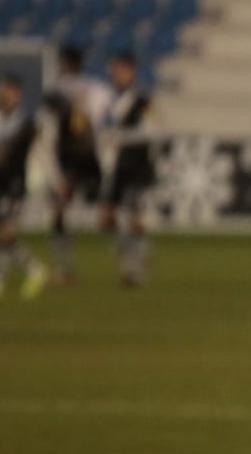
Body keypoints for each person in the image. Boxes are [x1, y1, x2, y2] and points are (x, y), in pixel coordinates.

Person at [44, 45, 111, 284]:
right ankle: (123, 261)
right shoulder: (96, 87)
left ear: (64, 63)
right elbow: (103, 115)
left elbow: (50, 126)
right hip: (91, 157)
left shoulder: (57, 90)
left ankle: (65, 269)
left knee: (61, 213)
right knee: (99, 211)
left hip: (68, 159)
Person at [100, 51, 156, 288]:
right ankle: (138, 256)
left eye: (121, 70)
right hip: (116, 167)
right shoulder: (109, 100)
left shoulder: (141, 100)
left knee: (134, 218)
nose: (117, 74)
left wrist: (120, 137)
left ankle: (133, 270)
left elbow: (150, 131)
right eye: (115, 70)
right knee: (108, 219)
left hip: (137, 167)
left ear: (131, 72)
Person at [0, 74, 46, 300]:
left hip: (15, 184)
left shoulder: (26, 123)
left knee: (5, 232)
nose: (5, 95)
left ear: (17, 95)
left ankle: (34, 268)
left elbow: (9, 154)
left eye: (9, 91)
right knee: (3, 234)